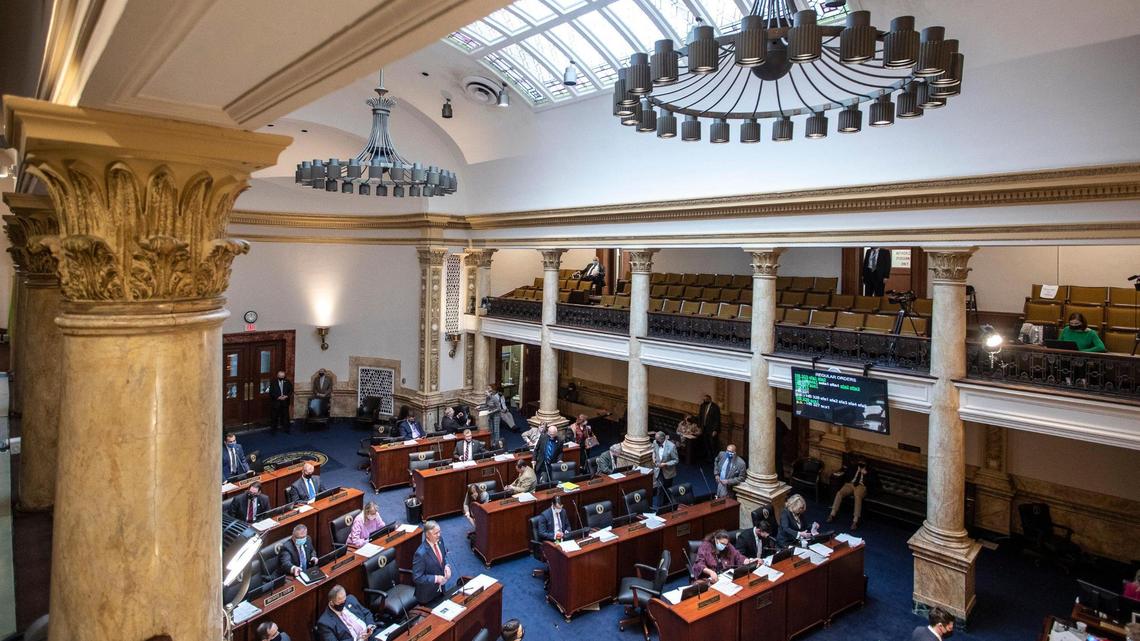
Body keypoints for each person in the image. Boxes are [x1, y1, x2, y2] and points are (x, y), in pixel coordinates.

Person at [412, 520, 451, 605]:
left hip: (441, 590)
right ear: (427, 535)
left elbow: (443, 557)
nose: (439, 535)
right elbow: (417, 577)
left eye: (439, 532)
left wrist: (447, 566)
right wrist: (436, 578)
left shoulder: (440, 540)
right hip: (427, 595)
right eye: (436, 533)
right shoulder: (421, 554)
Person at [829, 458, 872, 531]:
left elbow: (872, 483)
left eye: (863, 463)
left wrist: (866, 474)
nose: (861, 464)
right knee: (840, 493)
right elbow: (847, 475)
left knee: (857, 496)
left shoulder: (870, 471)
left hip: (861, 486)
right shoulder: (854, 467)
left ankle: (855, 521)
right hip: (850, 484)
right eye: (860, 462)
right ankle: (832, 514)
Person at [652, 431, 678, 506]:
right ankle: (659, 506)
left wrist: (665, 464)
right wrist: (653, 457)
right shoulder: (655, 442)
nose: (656, 441)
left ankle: (666, 504)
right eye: (655, 439)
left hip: (668, 471)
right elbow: (654, 451)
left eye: (657, 440)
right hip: (658, 469)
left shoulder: (671, 446)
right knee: (660, 488)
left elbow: (676, 460)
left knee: (667, 488)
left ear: (663, 439)